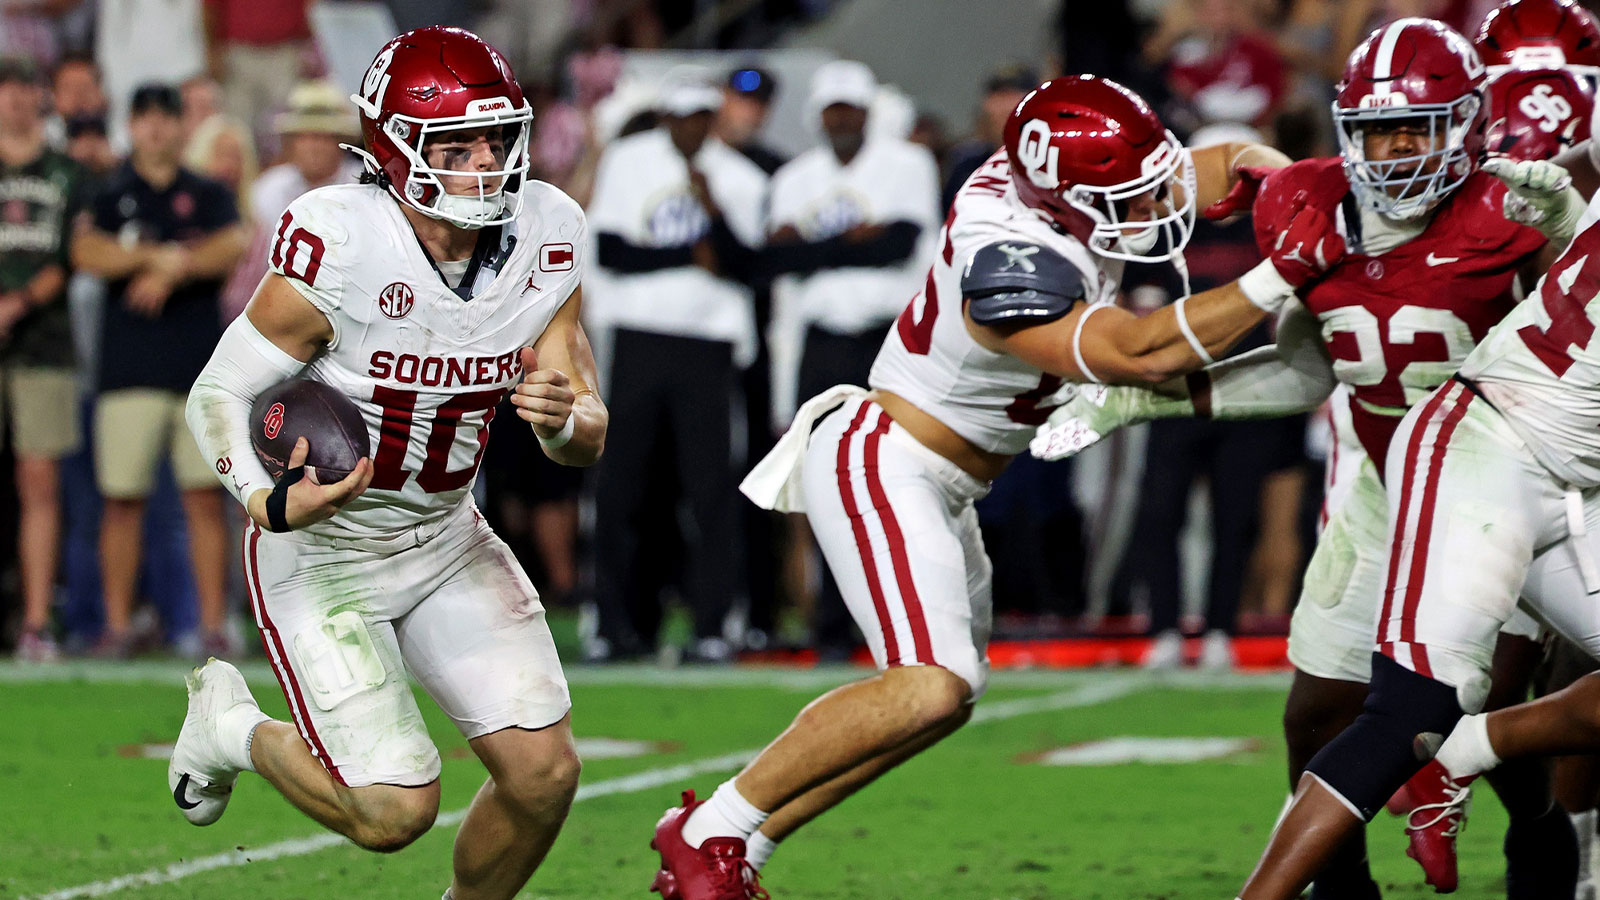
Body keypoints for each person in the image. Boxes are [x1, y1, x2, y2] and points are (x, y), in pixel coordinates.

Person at [650, 74, 1317, 900]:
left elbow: (1223, 165)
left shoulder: (1065, 186)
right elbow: (1139, 353)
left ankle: (742, 842)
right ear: (1064, 194)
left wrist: (1290, 183)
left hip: (946, 475)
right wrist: (1279, 270)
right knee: (930, 682)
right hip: (888, 455)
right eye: (1129, 193)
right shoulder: (1009, 250)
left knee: (945, 697)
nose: (1152, 207)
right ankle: (710, 829)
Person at [1038, 17, 1586, 897]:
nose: (1397, 150)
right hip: (1383, 486)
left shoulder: (1518, 213)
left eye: (1418, 126)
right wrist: (1142, 396)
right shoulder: (1311, 204)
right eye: (1377, 131)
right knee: (1318, 716)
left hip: (1508, 490)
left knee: (1490, 712)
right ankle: (1344, 887)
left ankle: (1541, 846)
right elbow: (1305, 368)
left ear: (1471, 124)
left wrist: (1568, 227)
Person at [171, 26, 601, 900]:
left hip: (445, 535)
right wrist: (264, 502)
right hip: (325, 551)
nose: (485, 163)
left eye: (497, 138)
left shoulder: (546, 233)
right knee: (392, 813)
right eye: (456, 144)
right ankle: (230, 728)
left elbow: (579, 424)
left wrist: (567, 419)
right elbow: (215, 393)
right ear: (395, 150)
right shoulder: (344, 242)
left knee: (544, 776)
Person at [1231, 73, 1600, 900]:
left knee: (1462, 709)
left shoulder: (1556, 204)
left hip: (1573, 480)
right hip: (1486, 453)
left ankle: (1474, 752)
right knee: (1402, 710)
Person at [586, 66, 768, 663]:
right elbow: (612, 251)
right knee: (623, 491)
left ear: (711, 121)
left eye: (700, 117)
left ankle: (714, 625)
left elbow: (746, 266)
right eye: (680, 116)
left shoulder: (740, 177)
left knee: (710, 492)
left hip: (709, 344)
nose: (689, 127)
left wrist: (710, 214)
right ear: (666, 118)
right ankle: (617, 626)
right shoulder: (629, 161)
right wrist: (690, 252)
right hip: (639, 337)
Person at [765, 59, 941, 658]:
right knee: (826, 485)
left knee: (899, 481)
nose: (841, 118)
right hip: (821, 342)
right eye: (832, 108)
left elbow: (898, 244)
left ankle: (905, 621)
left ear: (868, 112)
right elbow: (780, 263)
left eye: (851, 108)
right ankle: (833, 627)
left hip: (886, 340)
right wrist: (854, 241)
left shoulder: (907, 164)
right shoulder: (795, 176)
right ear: (819, 115)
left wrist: (814, 248)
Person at [74, 83, 245, 658]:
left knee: (204, 499)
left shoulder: (207, 191)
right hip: (128, 371)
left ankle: (213, 626)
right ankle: (117, 625)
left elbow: (235, 244)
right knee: (122, 501)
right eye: (144, 118)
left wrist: (176, 268)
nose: (155, 130)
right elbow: (85, 253)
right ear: (132, 125)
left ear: (179, 128)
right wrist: (158, 257)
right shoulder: (110, 190)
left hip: (199, 373)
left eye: (165, 119)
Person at [0, 57, 87, 662]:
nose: (14, 103)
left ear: (40, 98)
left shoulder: (66, 173)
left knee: (40, 483)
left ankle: (36, 621)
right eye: (5, 93)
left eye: (24, 91)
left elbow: (71, 255)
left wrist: (18, 301)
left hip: (44, 342)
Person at [717, 65, 784, 176]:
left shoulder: (774, 169)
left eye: (761, 103)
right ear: (723, 96)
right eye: (744, 99)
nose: (752, 111)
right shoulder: (692, 153)